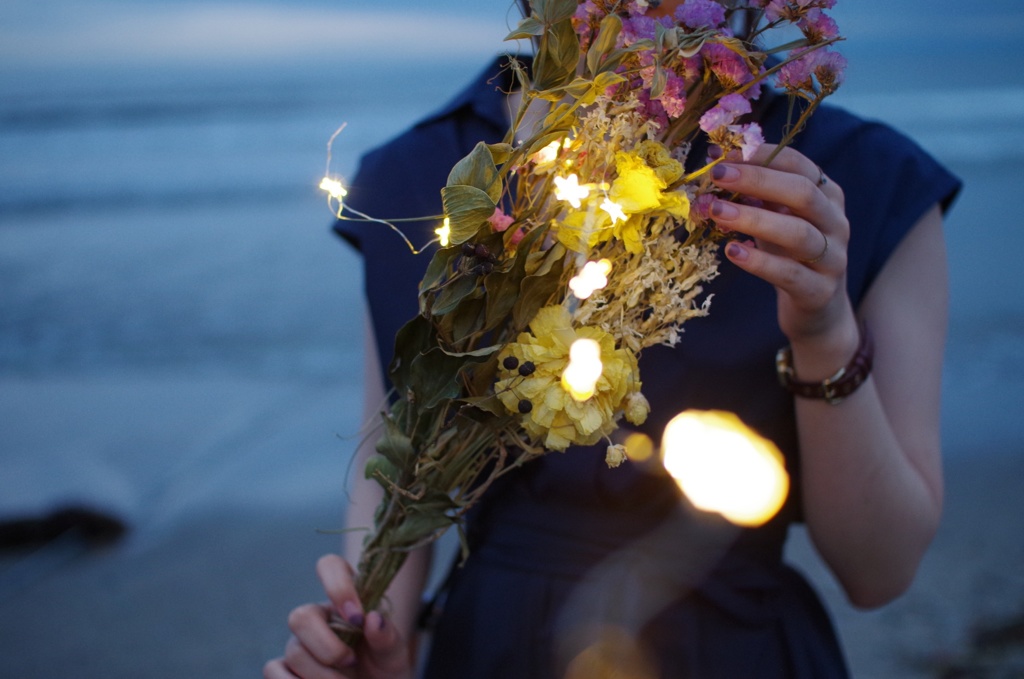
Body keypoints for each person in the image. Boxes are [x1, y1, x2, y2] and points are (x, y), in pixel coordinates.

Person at [264, 2, 961, 677]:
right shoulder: (422, 174)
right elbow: (397, 463)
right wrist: (368, 635)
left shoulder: (856, 185)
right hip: (491, 646)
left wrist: (825, 329)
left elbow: (879, 570)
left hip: (732, 650)